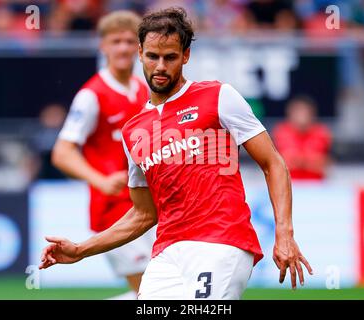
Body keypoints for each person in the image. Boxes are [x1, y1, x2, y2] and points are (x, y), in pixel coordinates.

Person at [40, 7, 312, 300]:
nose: (160, 66)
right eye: (153, 56)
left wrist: (285, 234)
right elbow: (143, 214)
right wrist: (81, 250)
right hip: (167, 254)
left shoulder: (218, 97)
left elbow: (273, 163)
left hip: (221, 243)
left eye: (170, 57)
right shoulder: (134, 131)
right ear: (141, 53)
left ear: (185, 56)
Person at [50, 11, 153, 299]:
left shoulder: (143, 90)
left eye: (130, 41)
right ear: (103, 46)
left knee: (161, 292)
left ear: (140, 48)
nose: (123, 48)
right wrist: (101, 180)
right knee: (152, 295)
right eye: (116, 41)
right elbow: (62, 152)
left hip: (148, 206)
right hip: (114, 210)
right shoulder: (92, 95)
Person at [273, 95, 332, 180]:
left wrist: (297, 161)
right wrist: (310, 161)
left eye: (304, 112)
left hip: (316, 186)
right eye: (298, 112)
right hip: (289, 184)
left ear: (312, 113)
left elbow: (326, 163)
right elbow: (277, 163)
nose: (301, 116)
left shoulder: (322, 132)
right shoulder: (281, 132)